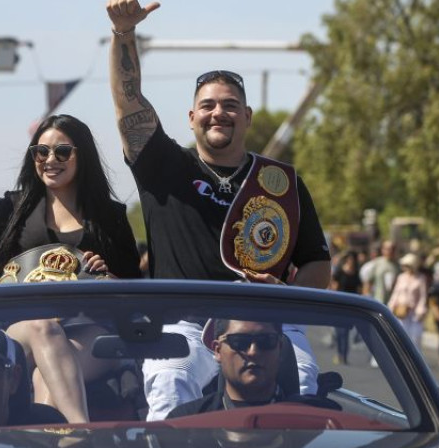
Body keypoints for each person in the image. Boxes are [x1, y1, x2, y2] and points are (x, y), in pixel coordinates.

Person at [106, 0, 331, 420]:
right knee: (172, 387)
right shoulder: (163, 166)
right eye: (208, 105)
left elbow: (317, 265)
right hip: (184, 325)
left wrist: (286, 296)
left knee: (302, 385)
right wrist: (124, 34)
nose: (218, 113)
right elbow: (128, 105)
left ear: (246, 116)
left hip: (267, 325)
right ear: (191, 117)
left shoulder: (281, 182)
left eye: (229, 105)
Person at [0, 112, 141, 423]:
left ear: (82, 156)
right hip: (21, 332)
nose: (50, 159)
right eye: (41, 152)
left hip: (89, 331)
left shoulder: (110, 216)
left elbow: (136, 293)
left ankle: (63, 441)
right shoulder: (14, 208)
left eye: (62, 151)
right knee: (44, 327)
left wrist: (108, 277)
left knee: (47, 377)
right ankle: (83, 435)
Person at [166, 320, 288, 418]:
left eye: (266, 341)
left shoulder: (305, 419)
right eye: (239, 341)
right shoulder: (185, 424)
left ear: (280, 348)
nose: (253, 352)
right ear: (217, 351)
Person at [387, 253, 428, 348]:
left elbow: (423, 296)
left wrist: (420, 310)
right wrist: (390, 306)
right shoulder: (401, 277)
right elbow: (396, 293)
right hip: (401, 311)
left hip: (414, 313)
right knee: (399, 336)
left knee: (415, 338)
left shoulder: (421, 278)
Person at [330, 251, 361, 364]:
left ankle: (344, 355)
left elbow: (359, 289)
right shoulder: (340, 271)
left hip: (350, 305)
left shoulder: (356, 273)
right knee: (339, 332)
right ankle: (339, 354)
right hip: (339, 304)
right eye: (350, 259)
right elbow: (334, 286)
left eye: (353, 259)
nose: (351, 261)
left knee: (346, 332)